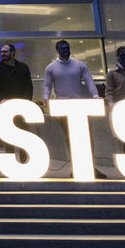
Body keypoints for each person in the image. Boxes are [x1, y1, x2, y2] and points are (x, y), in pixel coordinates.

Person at [43, 40, 106, 179]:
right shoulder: (51, 67)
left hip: (80, 106)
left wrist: (96, 96)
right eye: (62, 48)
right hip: (64, 107)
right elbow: (47, 85)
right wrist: (46, 99)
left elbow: (89, 81)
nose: (65, 50)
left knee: (88, 137)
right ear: (57, 50)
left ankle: (91, 166)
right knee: (70, 138)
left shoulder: (79, 65)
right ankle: (77, 166)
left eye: (67, 47)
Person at [0, 43, 33, 162]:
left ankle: (24, 161)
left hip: (21, 106)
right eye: (1, 52)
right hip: (6, 106)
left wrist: (26, 101)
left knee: (23, 133)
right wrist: (1, 100)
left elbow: (28, 86)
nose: (2, 54)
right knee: (8, 136)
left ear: (13, 53)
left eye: (5, 51)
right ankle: (10, 162)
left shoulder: (23, 67)